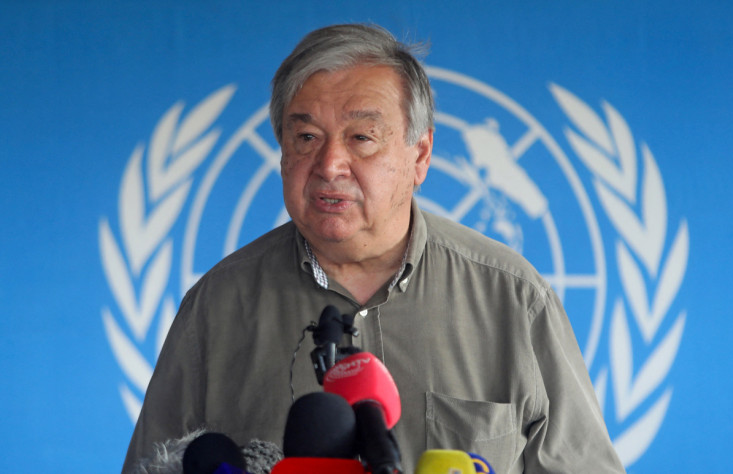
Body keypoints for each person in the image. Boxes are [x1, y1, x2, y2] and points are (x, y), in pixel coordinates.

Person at [123, 23, 625, 473]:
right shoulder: (216, 305)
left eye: (362, 137)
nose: (330, 164)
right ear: (281, 151)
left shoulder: (513, 298)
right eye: (305, 137)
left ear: (420, 155)